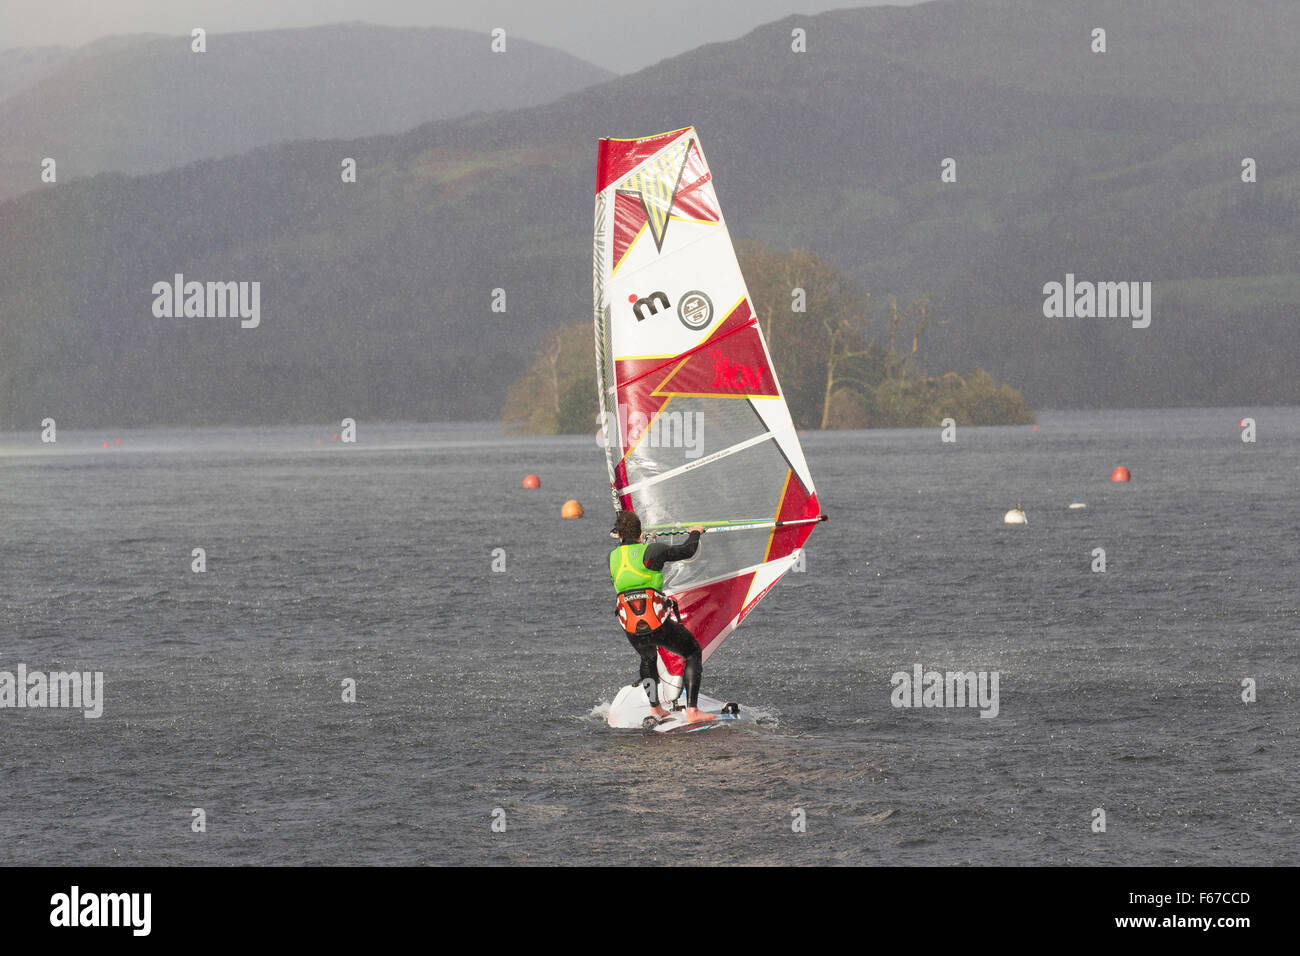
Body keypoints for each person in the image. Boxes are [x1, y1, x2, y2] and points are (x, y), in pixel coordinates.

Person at [608, 510, 713, 723]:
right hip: (657, 624)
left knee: (647, 657)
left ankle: (656, 709)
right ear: (641, 532)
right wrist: (695, 533)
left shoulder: (613, 557)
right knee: (692, 651)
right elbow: (687, 551)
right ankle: (692, 711)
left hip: (631, 627)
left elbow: (629, 560)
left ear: (618, 535)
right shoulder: (652, 551)